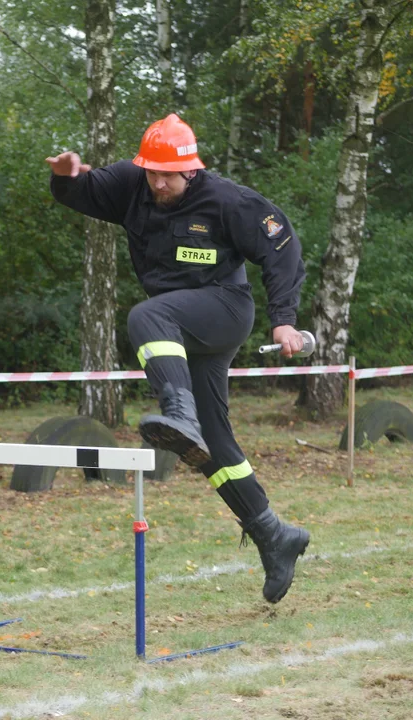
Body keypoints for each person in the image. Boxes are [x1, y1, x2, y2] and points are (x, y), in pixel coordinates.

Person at [47, 113, 310, 603]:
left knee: (146, 317)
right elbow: (80, 191)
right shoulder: (131, 184)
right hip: (179, 326)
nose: (159, 183)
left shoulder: (227, 200)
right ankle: (274, 534)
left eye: (168, 174)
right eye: (152, 172)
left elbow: (281, 247)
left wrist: (284, 318)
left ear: (191, 169)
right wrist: (64, 175)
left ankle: (179, 413)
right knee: (212, 444)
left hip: (224, 310)